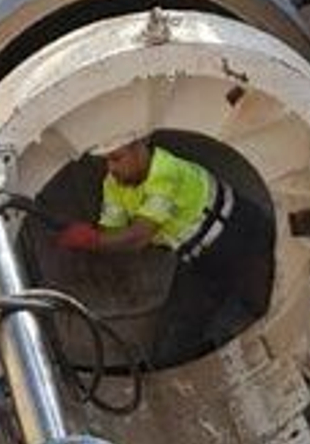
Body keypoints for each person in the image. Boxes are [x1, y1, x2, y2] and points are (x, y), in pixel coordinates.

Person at [58, 136, 274, 369]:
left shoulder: (167, 171)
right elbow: (112, 234)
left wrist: (93, 240)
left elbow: (139, 236)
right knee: (174, 338)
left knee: (266, 302)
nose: (111, 168)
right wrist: (92, 242)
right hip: (199, 259)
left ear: (140, 146)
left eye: (117, 159)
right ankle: (179, 378)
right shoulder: (113, 183)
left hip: (239, 236)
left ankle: (268, 356)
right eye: (106, 161)